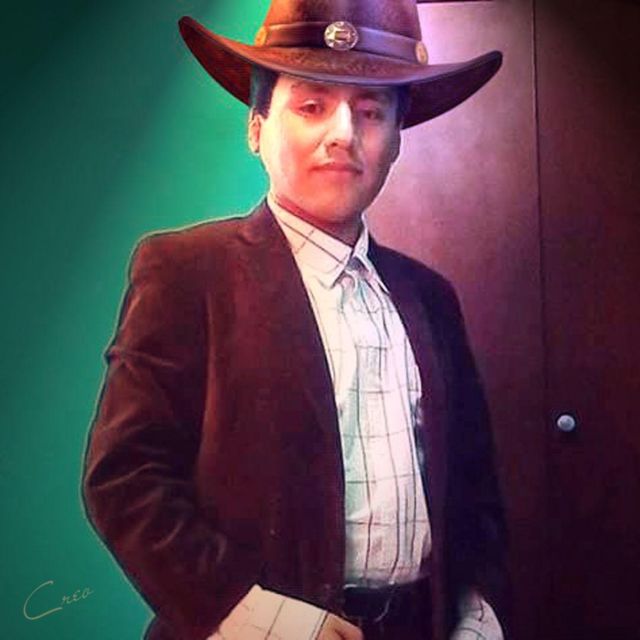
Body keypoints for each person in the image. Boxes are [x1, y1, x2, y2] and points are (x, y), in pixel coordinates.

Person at [82, 1, 508, 639]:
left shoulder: (430, 296)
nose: (343, 133)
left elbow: (474, 486)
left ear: (396, 139)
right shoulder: (184, 271)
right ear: (256, 128)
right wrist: (256, 617)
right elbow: (124, 477)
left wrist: (475, 611)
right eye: (311, 106)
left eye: (371, 112)